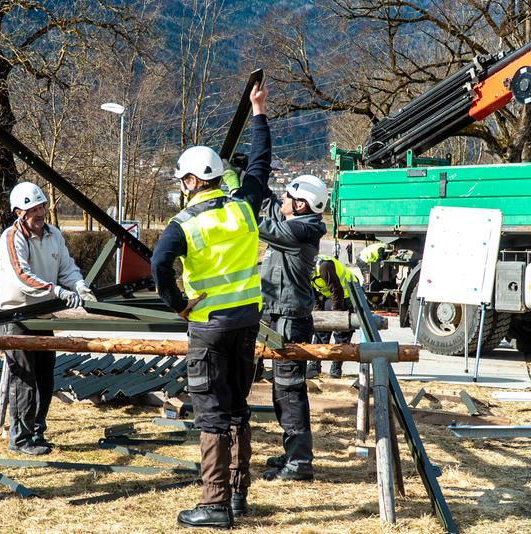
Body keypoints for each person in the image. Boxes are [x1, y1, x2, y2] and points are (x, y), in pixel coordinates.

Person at [151, 82, 269, 529]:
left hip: (207, 325)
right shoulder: (244, 209)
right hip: (246, 322)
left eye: (183, 179)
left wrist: (179, 305)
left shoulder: (183, 223)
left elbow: (160, 266)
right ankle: (239, 494)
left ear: (192, 181)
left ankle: (215, 503)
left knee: (212, 414)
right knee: (238, 405)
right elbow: (260, 164)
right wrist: (258, 113)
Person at [0, 182, 96, 456]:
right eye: (32, 209)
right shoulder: (12, 237)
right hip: (16, 314)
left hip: (42, 315)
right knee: (23, 378)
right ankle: (20, 438)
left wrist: (78, 285)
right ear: (19, 212)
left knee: (44, 377)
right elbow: (22, 277)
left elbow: (66, 268)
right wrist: (56, 291)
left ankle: (37, 432)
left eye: (41, 207)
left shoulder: (54, 235)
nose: (39, 213)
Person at [258, 173, 328, 482]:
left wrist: (231, 211)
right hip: (276, 314)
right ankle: (292, 451)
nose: (282, 200)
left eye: (288, 197)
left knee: (289, 391)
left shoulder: (303, 228)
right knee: (280, 390)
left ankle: (299, 463)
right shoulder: (296, 221)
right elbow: (269, 205)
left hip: (291, 321)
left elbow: (264, 226)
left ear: (301, 204)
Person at [306, 254, 356, 379]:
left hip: (348, 293)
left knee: (341, 331)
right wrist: (317, 312)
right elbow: (313, 294)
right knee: (321, 328)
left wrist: (336, 315)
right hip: (331, 294)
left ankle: (336, 367)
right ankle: (314, 364)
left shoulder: (324, 266)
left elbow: (337, 290)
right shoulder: (305, 271)